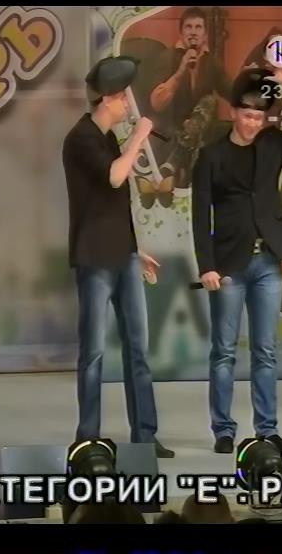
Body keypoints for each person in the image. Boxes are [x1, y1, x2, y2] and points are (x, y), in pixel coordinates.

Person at [191, 66, 282, 454]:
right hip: (229, 264)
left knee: (265, 351)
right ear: (233, 113)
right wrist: (206, 266)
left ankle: (267, 430)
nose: (252, 123)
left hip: (268, 262)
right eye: (247, 116)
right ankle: (223, 430)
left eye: (259, 117)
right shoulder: (211, 156)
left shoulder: (271, 146)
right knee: (224, 351)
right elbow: (199, 216)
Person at [62, 55, 174, 458]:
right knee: (93, 352)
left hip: (122, 255)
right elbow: (114, 176)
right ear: (108, 98)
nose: (128, 104)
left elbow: (112, 205)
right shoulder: (81, 138)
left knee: (137, 349)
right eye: (124, 96)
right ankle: (87, 436)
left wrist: (135, 249)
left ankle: (145, 434)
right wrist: (139, 137)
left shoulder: (108, 139)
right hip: (94, 258)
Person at [149, 7, 232, 195]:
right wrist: (180, 71)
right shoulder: (167, 58)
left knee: (209, 101)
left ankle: (175, 162)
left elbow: (231, 92)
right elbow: (156, 103)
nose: (193, 32)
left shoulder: (211, 62)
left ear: (205, 36)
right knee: (199, 138)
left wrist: (252, 85)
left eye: (198, 27)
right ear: (181, 33)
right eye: (188, 27)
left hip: (199, 131)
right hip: (173, 127)